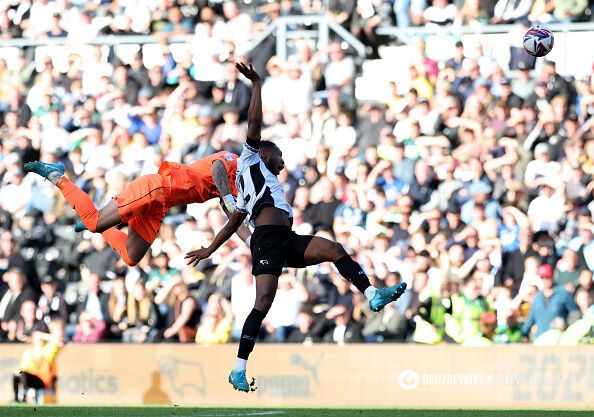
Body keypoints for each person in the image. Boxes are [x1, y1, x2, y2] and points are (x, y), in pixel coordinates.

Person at [185, 63, 407, 392]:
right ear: (263, 152)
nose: (283, 160)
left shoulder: (259, 184)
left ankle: (373, 296)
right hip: (270, 240)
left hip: (281, 239)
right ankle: (238, 368)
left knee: (334, 250)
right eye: (279, 154)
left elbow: (237, 219)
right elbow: (254, 124)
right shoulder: (250, 159)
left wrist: (225, 222)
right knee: (262, 305)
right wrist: (257, 84)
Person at [23, 150, 251, 267]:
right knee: (93, 221)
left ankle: (100, 223)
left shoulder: (238, 188)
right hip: (155, 188)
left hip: (160, 204)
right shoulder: (235, 161)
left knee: (132, 257)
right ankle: (58, 176)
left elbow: (234, 221)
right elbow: (218, 169)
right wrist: (230, 201)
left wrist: (251, 242)